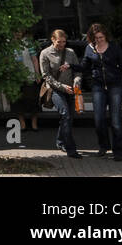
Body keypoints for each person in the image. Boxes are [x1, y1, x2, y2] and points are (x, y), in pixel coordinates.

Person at [81, 24, 122, 161]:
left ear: (105, 36)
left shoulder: (114, 48)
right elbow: (84, 66)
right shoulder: (89, 49)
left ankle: (118, 151)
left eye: (101, 37)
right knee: (99, 119)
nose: (99, 40)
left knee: (116, 121)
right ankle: (104, 146)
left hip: (115, 86)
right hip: (98, 87)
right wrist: (70, 65)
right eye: (96, 38)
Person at [39, 29, 83, 159]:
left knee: (68, 118)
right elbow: (46, 76)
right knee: (65, 114)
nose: (62, 44)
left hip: (70, 88)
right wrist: (62, 87)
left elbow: (78, 70)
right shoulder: (45, 53)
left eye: (64, 42)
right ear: (52, 39)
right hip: (56, 89)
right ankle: (71, 149)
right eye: (59, 42)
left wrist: (77, 81)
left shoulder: (70, 52)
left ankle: (60, 140)